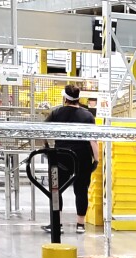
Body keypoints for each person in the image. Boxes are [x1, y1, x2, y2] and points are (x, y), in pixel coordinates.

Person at [43, 84, 99, 234]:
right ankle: (80, 225)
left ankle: (57, 224)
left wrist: (48, 149)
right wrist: (97, 159)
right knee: (81, 190)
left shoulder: (56, 113)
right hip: (82, 157)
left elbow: (43, 132)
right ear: (78, 98)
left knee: (56, 189)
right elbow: (93, 139)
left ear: (65, 98)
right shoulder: (88, 116)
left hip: (61, 158)